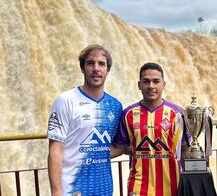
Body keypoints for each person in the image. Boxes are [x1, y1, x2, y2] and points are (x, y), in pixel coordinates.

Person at [47, 44, 124, 196]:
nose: (96, 68)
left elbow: (116, 146)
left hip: (104, 189)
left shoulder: (115, 106)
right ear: (82, 68)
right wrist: (56, 192)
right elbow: (55, 150)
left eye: (101, 64)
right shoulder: (65, 101)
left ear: (107, 70)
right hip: (72, 189)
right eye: (90, 63)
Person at [112, 62, 190, 196]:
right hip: (138, 188)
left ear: (163, 85)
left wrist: (193, 179)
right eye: (146, 81)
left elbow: (185, 149)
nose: (151, 86)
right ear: (139, 85)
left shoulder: (178, 114)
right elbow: (120, 147)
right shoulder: (128, 114)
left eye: (156, 81)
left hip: (173, 188)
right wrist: (89, 154)